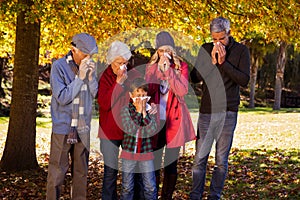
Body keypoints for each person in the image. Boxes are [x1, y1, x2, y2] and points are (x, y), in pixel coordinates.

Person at [189, 17, 250, 200]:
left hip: (228, 111)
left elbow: (244, 80)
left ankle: (214, 195)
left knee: (221, 161)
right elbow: (195, 77)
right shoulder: (205, 49)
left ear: (229, 34)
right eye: (214, 39)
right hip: (207, 111)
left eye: (221, 39)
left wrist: (224, 63)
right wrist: (212, 63)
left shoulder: (241, 51)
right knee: (199, 159)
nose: (217, 43)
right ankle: (195, 196)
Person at [46, 33, 98, 199]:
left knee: (81, 173)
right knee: (57, 172)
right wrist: (80, 77)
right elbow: (62, 97)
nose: (88, 58)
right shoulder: (58, 66)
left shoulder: (90, 66)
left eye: (91, 55)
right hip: (63, 127)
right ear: (73, 50)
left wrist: (90, 78)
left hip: (83, 127)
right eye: (85, 54)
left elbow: (95, 93)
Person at [145, 31, 196, 200]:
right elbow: (149, 91)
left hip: (174, 120)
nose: (163, 54)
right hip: (156, 121)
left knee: (171, 164)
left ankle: (166, 196)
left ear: (172, 51)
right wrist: (159, 71)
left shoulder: (181, 67)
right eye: (160, 51)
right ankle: (152, 194)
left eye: (166, 50)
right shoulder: (151, 67)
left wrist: (169, 73)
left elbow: (182, 90)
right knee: (154, 162)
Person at [97, 41, 145, 200]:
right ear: (111, 61)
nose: (122, 66)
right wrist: (118, 83)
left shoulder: (134, 75)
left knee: (133, 170)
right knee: (110, 171)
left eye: (125, 62)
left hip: (129, 130)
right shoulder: (105, 76)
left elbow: (140, 95)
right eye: (119, 63)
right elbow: (104, 103)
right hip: (109, 131)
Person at [120, 78, 158, 200]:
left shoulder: (151, 110)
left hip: (146, 153)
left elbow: (152, 130)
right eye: (138, 95)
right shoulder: (126, 110)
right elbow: (130, 129)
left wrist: (145, 114)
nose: (141, 98)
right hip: (129, 153)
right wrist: (138, 112)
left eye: (143, 95)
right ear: (131, 95)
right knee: (127, 187)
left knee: (150, 186)